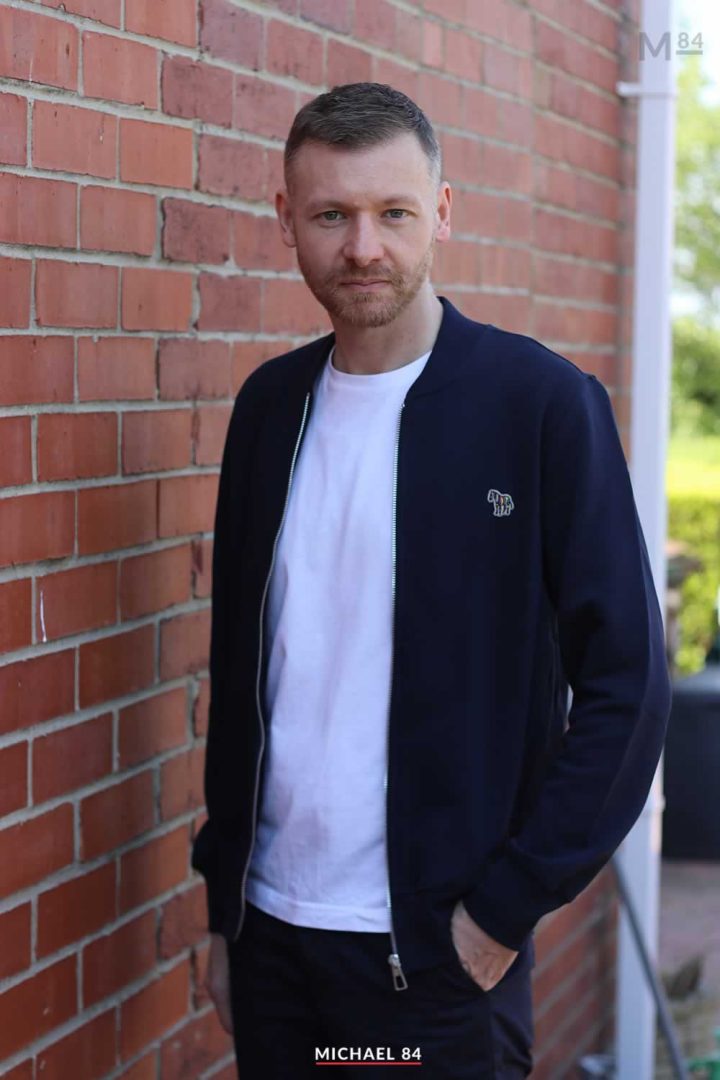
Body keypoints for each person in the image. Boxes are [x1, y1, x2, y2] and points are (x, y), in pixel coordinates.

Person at [190, 82, 671, 1078]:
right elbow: (245, 676)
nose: (364, 246)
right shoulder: (269, 411)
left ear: (442, 213)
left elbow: (629, 683)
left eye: (394, 213)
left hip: (436, 957)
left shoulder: (538, 408)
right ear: (287, 221)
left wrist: (504, 908)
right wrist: (225, 913)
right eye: (332, 215)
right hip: (274, 939)